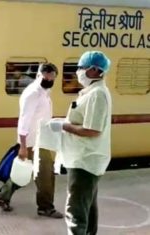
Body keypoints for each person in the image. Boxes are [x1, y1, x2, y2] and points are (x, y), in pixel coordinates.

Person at [47, 51, 112, 235]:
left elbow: (92, 130)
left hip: (85, 160)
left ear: (93, 70)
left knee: (75, 212)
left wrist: (64, 126)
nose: (78, 72)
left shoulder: (97, 94)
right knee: (88, 207)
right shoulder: (91, 92)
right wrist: (64, 122)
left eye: (81, 68)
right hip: (84, 158)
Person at [0, 63, 63, 218]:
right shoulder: (33, 93)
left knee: (24, 171)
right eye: (46, 76)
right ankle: (45, 207)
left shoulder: (44, 91)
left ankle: (3, 196)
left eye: (52, 77)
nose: (49, 79)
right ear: (39, 74)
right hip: (34, 142)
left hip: (41, 139)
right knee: (45, 175)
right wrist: (23, 146)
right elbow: (24, 120)